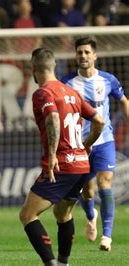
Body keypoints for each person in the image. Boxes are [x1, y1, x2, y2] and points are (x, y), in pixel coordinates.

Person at [19, 48, 104, 266]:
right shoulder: (71, 92)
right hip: (82, 166)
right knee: (63, 214)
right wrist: (85, 146)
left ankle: (51, 263)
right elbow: (99, 121)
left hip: (62, 164)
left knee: (28, 215)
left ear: (33, 69)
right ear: (54, 66)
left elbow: (54, 119)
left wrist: (53, 154)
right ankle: (63, 263)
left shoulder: (43, 93)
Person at [61, 37, 129, 251]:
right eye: (79, 52)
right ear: (76, 55)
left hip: (104, 141)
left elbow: (124, 101)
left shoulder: (108, 80)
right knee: (87, 192)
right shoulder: (67, 82)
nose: (83, 56)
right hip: (80, 144)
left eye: (87, 52)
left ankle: (107, 236)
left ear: (95, 56)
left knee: (105, 183)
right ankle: (92, 215)